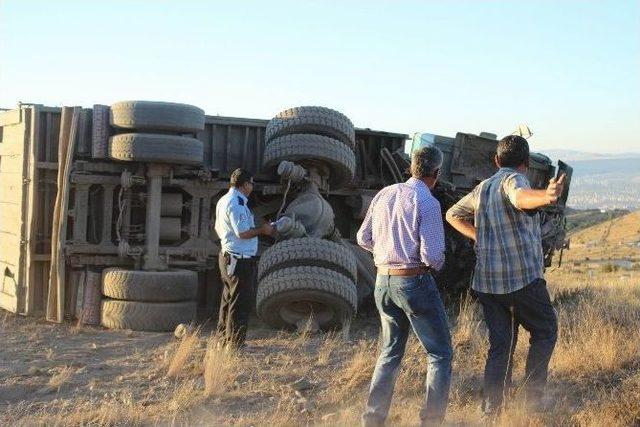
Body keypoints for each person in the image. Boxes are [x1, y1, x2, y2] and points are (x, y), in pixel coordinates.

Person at [445, 135, 564, 416]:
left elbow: (452, 214)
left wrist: (478, 235)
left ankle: (490, 411)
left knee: (501, 347)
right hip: (521, 281)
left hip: (487, 285)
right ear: (525, 162)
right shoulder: (515, 181)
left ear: (496, 161)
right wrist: (546, 196)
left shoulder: (482, 188)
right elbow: (520, 198)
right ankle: (533, 401)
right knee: (545, 331)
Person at [357, 146, 452, 427]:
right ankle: (431, 421)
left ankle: (372, 419)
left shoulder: (384, 194)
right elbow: (431, 256)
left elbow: (363, 237)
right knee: (439, 353)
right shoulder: (427, 202)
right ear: (437, 173)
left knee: (389, 352)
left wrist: (385, 251)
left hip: (382, 282)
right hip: (413, 281)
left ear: (411, 167)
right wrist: (435, 266)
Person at [214, 168, 274, 348]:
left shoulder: (224, 200)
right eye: (251, 183)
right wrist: (262, 231)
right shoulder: (237, 203)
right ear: (246, 184)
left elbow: (218, 227)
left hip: (227, 256)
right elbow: (242, 233)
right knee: (239, 303)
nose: (252, 186)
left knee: (227, 300)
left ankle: (223, 340)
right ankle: (235, 344)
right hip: (238, 259)